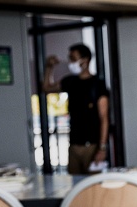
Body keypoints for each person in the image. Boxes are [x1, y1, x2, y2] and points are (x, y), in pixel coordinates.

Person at [43, 43, 109, 174]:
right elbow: (46, 88)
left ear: (85, 60)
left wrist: (102, 147)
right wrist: (49, 68)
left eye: (73, 58)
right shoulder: (70, 81)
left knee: (92, 186)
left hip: (91, 145)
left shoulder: (97, 84)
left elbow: (104, 117)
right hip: (73, 144)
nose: (70, 62)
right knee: (75, 185)